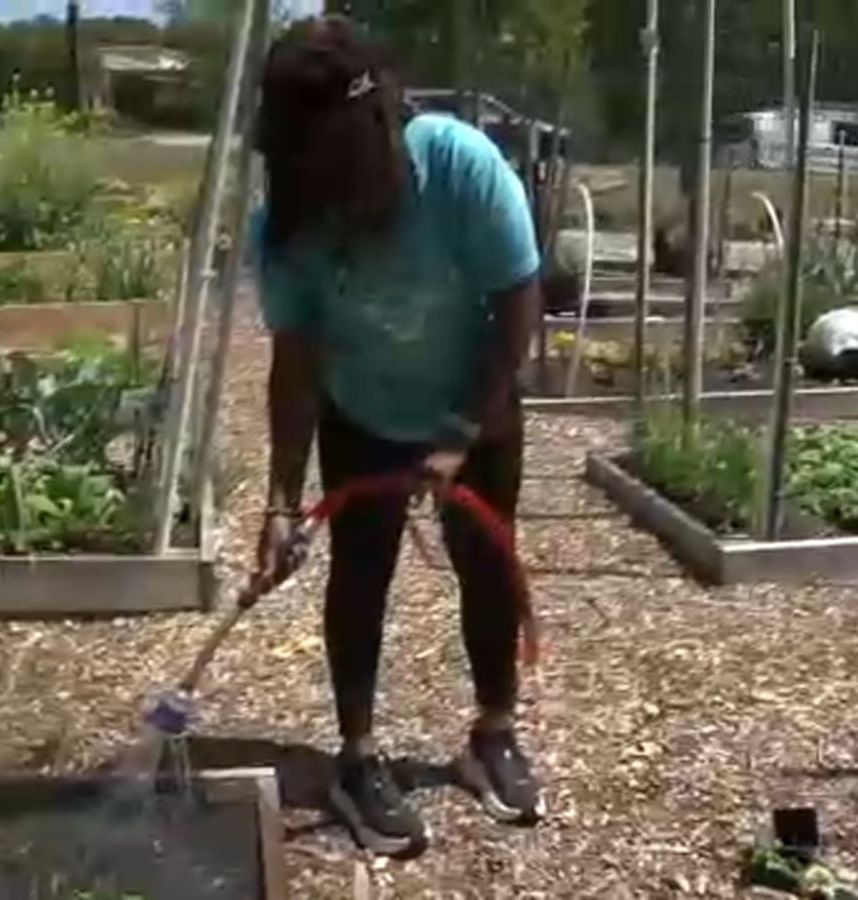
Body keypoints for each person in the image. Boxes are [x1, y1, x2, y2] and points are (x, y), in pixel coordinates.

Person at [250, 15, 545, 857]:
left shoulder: (458, 166)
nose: (332, 191)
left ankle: (492, 733)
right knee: (361, 572)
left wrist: (458, 432)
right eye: (309, 169)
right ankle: (358, 754)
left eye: (339, 165)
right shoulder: (292, 222)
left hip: (473, 400)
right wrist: (279, 500)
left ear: (379, 122)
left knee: (487, 564)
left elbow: (518, 305)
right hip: (364, 411)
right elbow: (297, 365)